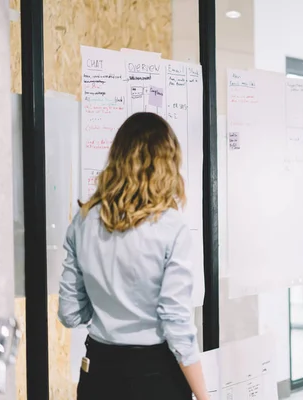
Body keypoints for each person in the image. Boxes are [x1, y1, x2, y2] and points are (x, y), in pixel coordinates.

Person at [57, 112, 209, 400]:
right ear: (167, 164)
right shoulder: (170, 226)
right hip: (155, 377)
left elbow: (70, 312)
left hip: (98, 373)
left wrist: (109, 303)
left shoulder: (84, 220)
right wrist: (204, 396)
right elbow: (176, 321)